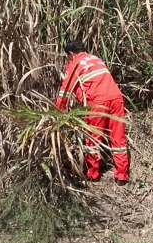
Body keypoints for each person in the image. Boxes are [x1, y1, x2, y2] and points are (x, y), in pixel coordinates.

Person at [55, 40, 130, 184]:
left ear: (70, 54)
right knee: (118, 137)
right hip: (116, 98)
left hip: (97, 102)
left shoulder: (75, 63)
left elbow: (65, 92)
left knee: (93, 138)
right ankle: (122, 176)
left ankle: (93, 174)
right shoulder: (96, 59)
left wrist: (57, 114)